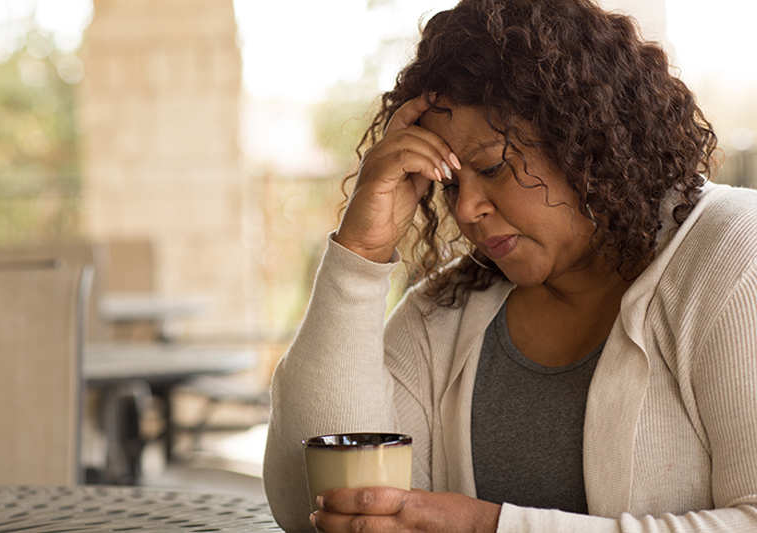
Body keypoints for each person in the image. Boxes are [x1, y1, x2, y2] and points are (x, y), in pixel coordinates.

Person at [263, 0, 757, 531]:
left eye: (493, 167)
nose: (465, 208)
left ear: (583, 139)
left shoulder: (732, 257)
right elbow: (311, 508)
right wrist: (360, 254)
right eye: (450, 182)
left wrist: (487, 526)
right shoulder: (444, 315)